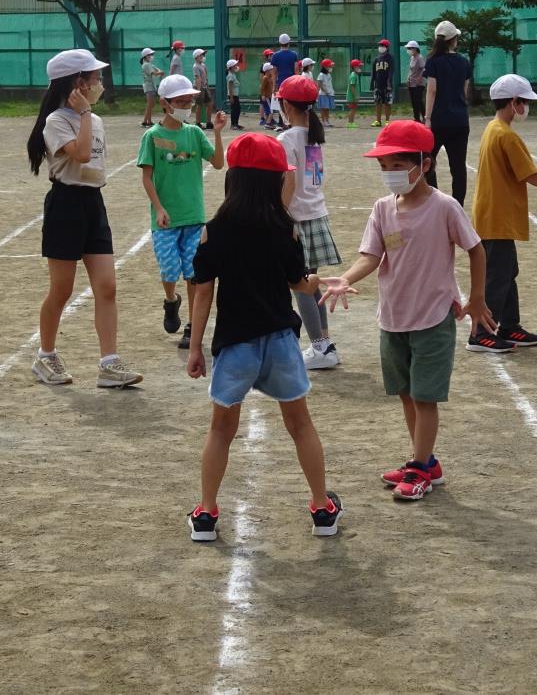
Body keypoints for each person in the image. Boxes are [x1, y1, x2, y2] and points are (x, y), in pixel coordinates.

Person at [321, 120, 493, 501]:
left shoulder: (444, 207)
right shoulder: (383, 209)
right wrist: (346, 277)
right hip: (393, 317)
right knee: (406, 393)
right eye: (384, 168)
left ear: (425, 164)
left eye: (398, 167)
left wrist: (477, 298)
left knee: (425, 396)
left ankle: (420, 470)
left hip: (433, 318)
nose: (390, 175)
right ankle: (424, 460)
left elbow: (476, 249)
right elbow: (371, 255)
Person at [185, 132, 343, 543]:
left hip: (235, 343)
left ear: (233, 179)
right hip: (279, 341)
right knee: (301, 425)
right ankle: (322, 509)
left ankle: (206, 514)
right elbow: (300, 285)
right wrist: (317, 281)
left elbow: (203, 291)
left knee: (221, 430)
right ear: (274, 182)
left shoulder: (213, 231)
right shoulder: (285, 230)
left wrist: (196, 346)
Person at [27, 49, 142, 387]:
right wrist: (85, 113)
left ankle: (109, 363)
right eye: (95, 77)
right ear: (78, 82)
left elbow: (94, 164)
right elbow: (78, 154)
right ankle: (45, 356)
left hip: (93, 203)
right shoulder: (57, 121)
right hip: (66, 204)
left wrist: (89, 115)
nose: (100, 82)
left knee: (107, 286)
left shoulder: (96, 119)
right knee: (61, 290)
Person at [469, 74, 537, 352]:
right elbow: (529, 175)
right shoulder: (506, 135)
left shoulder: (493, 128)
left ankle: (509, 326)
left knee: (507, 272)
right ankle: (481, 333)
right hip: (497, 216)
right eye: (525, 102)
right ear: (514, 102)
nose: (527, 107)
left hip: (495, 214)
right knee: (497, 275)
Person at [139, 73, 227, 348]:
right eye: (181, 101)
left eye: (190, 100)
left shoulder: (195, 133)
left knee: (193, 272)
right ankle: (170, 300)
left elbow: (217, 163)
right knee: (169, 270)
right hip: (165, 218)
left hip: (194, 216)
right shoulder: (152, 136)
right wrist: (159, 207)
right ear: (165, 103)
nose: (187, 105)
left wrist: (217, 132)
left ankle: (192, 325)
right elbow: (146, 176)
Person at [277, 75, 343, 370]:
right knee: (311, 283)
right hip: (315, 213)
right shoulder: (312, 134)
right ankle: (324, 343)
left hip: (297, 219)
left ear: (286, 104)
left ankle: (320, 348)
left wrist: (279, 216)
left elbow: (288, 183)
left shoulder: (287, 138)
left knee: (301, 286)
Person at [423, 19, 472, 204]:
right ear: (454, 40)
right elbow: (464, 89)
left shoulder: (433, 61)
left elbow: (432, 90)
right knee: (458, 166)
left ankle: (434, 200)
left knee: (428, 162)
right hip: (460, 120)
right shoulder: (463, 62)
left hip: (438, 120)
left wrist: (427, 118)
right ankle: (457, 206)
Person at [269, 33, 299, 129]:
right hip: (292, 82)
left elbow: (274, 72)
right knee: (292, 103)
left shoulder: (275, 56)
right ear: (289, 43)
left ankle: (286, 123)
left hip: (281, 83)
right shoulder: (294, 54)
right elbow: (296, 70)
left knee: (282, 104)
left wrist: (274, 86)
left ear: (279, 43)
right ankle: (293, 122)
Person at [370, 39, 395, 127]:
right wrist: (372, 83)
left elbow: (391, 71)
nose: (381, 47)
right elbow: (373, 72)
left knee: (387, 103)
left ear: (387, 47)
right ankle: (378, 120)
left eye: (383, 46)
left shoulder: (390, 58)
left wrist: (389, 82)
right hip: (378, 84)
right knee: (378, 102)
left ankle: (387, 120)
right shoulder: (376, 59)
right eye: (380, 45)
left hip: (387, 85)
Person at [139, 47, 163, 128]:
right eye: (150, 54)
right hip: (149, 86)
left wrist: (159, 72)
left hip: (150, 86)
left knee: (151, 104)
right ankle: (146, 122)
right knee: (150, 104)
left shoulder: (148, 64)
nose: (152, 56)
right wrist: (160, 73)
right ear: (145, 56)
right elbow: (154, 73)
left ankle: (147, 121)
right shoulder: (146, 65)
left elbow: (156, 70)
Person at [405, 39, 426, 122]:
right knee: (413, 101)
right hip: (411, 83)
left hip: (418, 84)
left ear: (415, 48)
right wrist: (408, 78)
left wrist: (419, 78)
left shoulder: (419, 57)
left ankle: (424, 117)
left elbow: (423, 69)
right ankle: (416, 118)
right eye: (408, 48)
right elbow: (411, 70)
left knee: (418, 101)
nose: (409, 50)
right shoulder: (412, 58)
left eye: (410, 48)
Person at [225, 57, 244, 130]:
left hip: (235, 95)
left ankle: (236, 123)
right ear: (231, 67)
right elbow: (230, 87)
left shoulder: (233, 74)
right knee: (234, 110)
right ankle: (233, 125)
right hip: (233, 96)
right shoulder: (230, 75)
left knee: (237, 109)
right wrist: (231, 97)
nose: (236, 66)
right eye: (235, 65)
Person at [316, 58, 335, 128]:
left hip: (329, 93)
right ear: (325, 67)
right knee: (323, 108)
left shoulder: (328, 74)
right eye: (329, 66)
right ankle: (323, 121)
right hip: (323, 94)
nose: (331, 67)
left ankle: (327, 121)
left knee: (327, 108)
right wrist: (325, 91)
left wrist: (330, 91)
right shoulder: (321, 75)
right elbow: (319, 84)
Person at [346, 58, 363, 128]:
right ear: (354, 67)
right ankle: (350, 123)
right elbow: (352, 86)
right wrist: (355, 96)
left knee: (354, 109)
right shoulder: (353, 75)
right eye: (358, 66)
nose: (360, 68)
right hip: (352, 96)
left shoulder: (355, 75)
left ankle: (352, 122)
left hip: (353, 96)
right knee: (352, 109)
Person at [258, 62, 274, 129]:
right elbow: (262, 88)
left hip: (270, 96)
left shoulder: (270, 77)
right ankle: (268, 123)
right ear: (267, 70)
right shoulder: (265, 78)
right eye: (271, 70)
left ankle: (268, 123)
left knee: (268, 111)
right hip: (267, 97)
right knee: (271, 111)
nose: (272, 71)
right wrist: (263, 95)